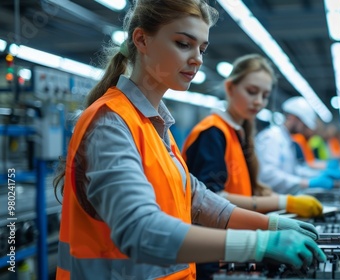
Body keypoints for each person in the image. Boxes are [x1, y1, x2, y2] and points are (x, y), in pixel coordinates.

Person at [52, 1, 325, 279]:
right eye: (184, 43)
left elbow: (199, 200)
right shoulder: (110, 123)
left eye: (202, 49)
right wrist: (256, 244)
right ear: (142, 40)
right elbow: (139, 230)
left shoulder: (156, 126)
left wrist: (271, 225)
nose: (198, 59)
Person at [182, 53, 324, 279]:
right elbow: (210, 200)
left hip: (235, 249)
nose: (258, 101)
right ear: (230, 88)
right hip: (214, 254)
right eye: (251, 91)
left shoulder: (238, 133)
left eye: (265, 95)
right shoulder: (212, 133)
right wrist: (283, 202)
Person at [255, 96, 340, 194]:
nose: (304, 129)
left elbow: (294, 170)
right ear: (293, 118)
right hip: (271, 200)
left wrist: (317, 175)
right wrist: (307, 182)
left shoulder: (287, 139)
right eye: (304, 124)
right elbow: (268, 176)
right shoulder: (271, 137)